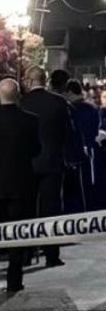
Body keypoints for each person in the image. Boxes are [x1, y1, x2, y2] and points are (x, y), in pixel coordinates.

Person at [0, 79, 40, 292]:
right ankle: (14, 280)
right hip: (20, 183)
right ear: (18, 95)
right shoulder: (30, 121)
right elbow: (36, 150)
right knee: (18, 233)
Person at [21, 66, 70, 267]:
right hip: (52, 161)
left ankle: (26, 253)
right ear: (45, 79)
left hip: (27, 163)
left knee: (27, 208)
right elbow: (67, 132)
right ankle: (51, 254)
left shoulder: (21, 102)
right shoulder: (59, 103)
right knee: (51, 210)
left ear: (29, 81)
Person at [62, 79, 98, 213]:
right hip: (90, 155)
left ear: (70, 92)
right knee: (89, 187)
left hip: (73, 156)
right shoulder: (92, 109)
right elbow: (95, 130)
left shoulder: (70, 110)